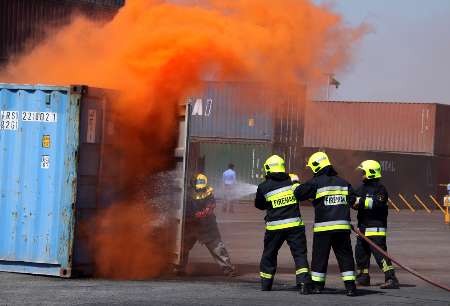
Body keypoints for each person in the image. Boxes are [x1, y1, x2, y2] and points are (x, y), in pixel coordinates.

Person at [294, 152, 357, 296]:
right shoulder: (343, 182)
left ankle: (317, 286)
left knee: (319, 257)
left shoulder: (315, 182)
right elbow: (353, 201)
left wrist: (296, 184)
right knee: (345, 257)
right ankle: (350, 287)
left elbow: (299, 194)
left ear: (316, 166)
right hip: (342, 228)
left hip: (324, 228)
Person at [255, 155, 311, 294]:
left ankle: (266, 284)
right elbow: (302, 196)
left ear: (268, 169)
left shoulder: (263, 186)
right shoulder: (292, 181)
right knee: (299, 255)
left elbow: (259, 205)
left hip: (274, 228)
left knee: (269, 255)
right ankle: (304, 284)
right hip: (294, 226)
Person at [176, 173, 237, 277]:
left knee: (217, 247)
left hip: (207, 226)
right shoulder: (187, 194)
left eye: (201, 188)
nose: (200, 190)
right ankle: (180, 269)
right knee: (184, 247)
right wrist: (193, 215)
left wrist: (206, 211)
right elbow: (184, 208)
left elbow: (211, 205)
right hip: (191, 225)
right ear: (193, 184)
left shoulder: (208, 193)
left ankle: (228, 269)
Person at [352, 160, 400, 289]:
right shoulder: (360, 188)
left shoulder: (380, 189)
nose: (362, 174)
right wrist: (356, 201)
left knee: (380, 256)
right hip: (362, 229)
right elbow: (353, 203)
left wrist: (360, 201)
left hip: (376, 229)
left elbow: (377, 203)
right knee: (360, 254)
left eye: (363, 172)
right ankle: (363, 278)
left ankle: (391, 278)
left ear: (371, 172)